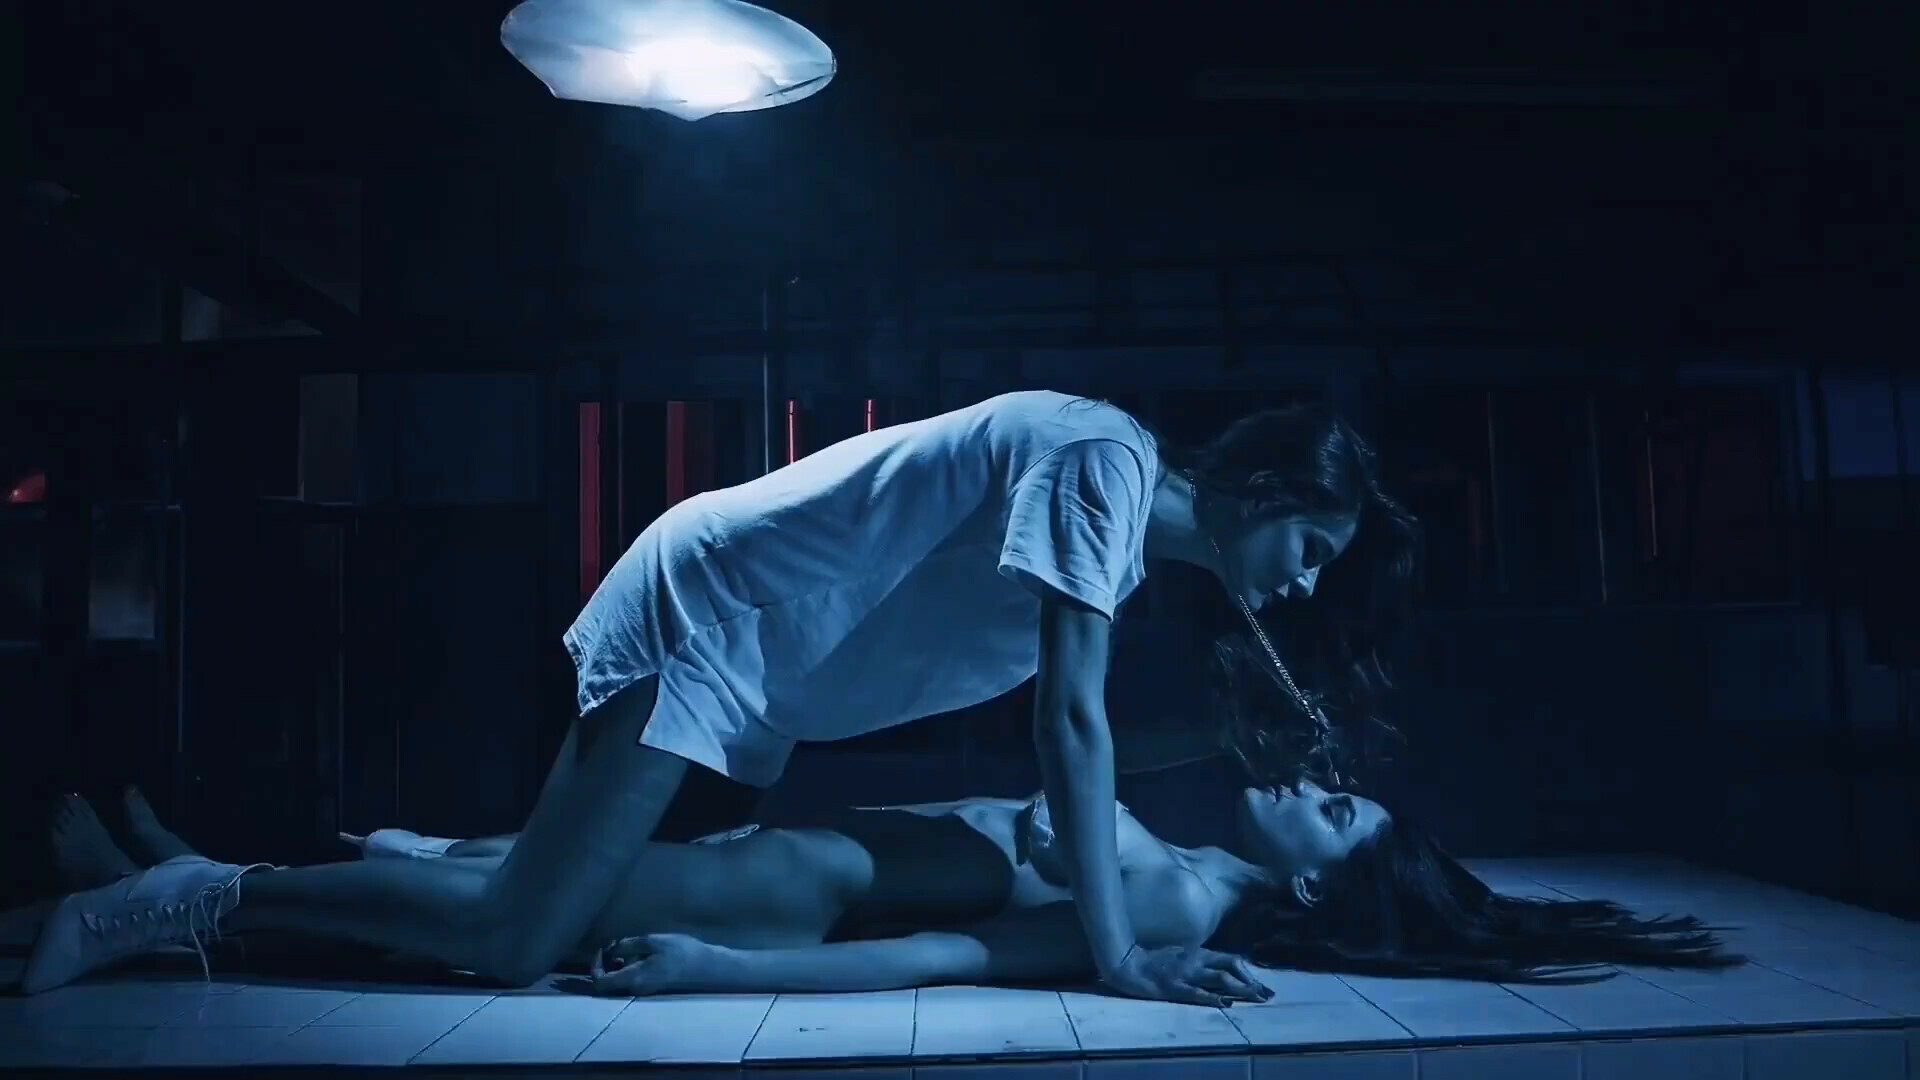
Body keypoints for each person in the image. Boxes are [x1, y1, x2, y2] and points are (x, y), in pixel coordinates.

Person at [23, 390, 1418, 1000]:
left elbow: (1060, 725)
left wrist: (1215, 737)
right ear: (1266, 492)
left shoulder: (1110, 524)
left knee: (574, 916)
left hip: (762, 686)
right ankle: (182, 898)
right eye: (1311, 546)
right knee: (519, 935)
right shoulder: (1105, 467)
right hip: (716, 619)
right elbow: (1067, 726)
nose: (1302, 584)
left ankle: (202, 896)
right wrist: (1118, 960)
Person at [35, 780, 1739, 998]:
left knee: (485, 907)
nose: (1319, 779)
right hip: (797, 854)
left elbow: (954, 952)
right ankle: (170, 882)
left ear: (1336, 878)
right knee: (475, 869)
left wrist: (719, 974)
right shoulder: (1201, 857)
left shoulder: (1183, 913)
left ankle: (182, 896)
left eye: (1341, 808)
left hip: (789, 895)